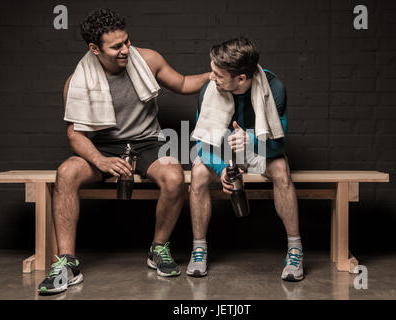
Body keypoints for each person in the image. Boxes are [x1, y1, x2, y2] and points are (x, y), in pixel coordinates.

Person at [38, 8, 210, 294]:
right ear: (95, 48)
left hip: (147, 142)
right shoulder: (76, 82)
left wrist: (211, 75)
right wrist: (101, 161)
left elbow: (181, 83)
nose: (125, 49)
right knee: (66, 172)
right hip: (103, 146)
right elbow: (75, 134)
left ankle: (158, 248)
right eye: (116, 46)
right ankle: (67, 264)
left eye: (127, 41)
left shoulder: (148, 60)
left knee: (174, 176)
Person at [187, 37, 304, 281]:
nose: (212, 78)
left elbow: (279, 145)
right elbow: (201, 145)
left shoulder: (274, 88)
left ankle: (295, 250)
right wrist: (220, 169)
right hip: (222, 150)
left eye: (218, 74)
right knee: (198, 173)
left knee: (282, 169)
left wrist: (251, 141)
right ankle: (199, 249)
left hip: (259, 147)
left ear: (241, 78)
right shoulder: (208, 90)